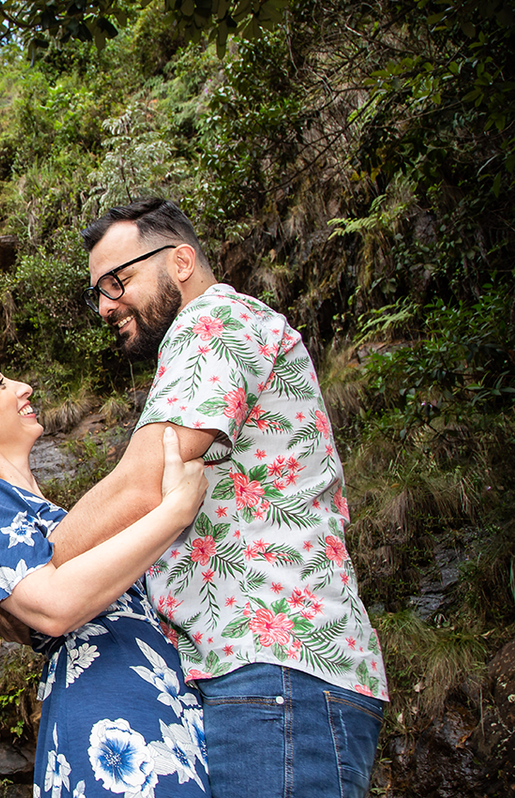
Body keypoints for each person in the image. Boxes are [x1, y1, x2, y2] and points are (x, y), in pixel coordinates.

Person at [34, 197, 387, 798]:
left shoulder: (218, 321)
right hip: (252, 676)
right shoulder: (209, 341)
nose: (104, 305)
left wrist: (32, 574)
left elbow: (144, 480)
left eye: (118, 281)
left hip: (275, 672)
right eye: (97, 291)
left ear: (181, 261)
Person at [0, 351, 211, 798]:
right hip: (114, 726)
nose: (25, 387)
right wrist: (175, 511)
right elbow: (55, 607)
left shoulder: (49, 520)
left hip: (163, 710)